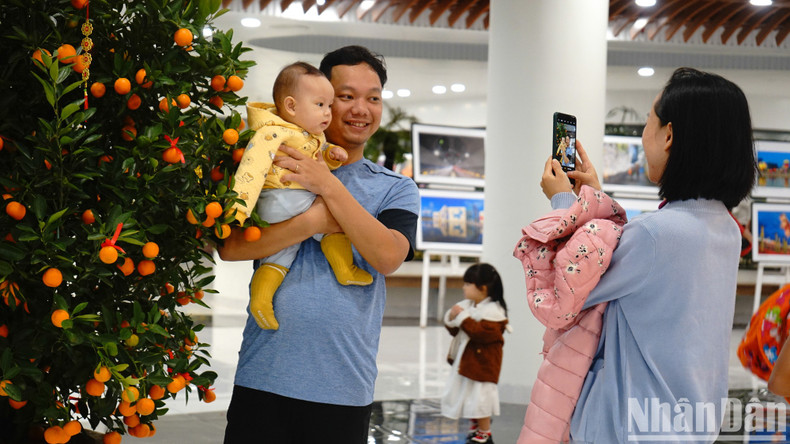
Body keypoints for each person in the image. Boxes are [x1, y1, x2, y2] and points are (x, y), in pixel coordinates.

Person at [538, 67, 756, 443]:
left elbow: (570, 285)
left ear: (669, 135)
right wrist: (596, 197)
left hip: (626, 428)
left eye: (648, 121)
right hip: (688, 423)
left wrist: (563, 206)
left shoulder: (655, 235)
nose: (644, 135)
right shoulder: (725, 228)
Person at [219, 45, 420, 444]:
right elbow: (231, 248)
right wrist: (311, 221)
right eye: (345, 96)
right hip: (263, 375)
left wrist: (326, 184)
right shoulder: (280, 161)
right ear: (319, 100)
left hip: (342, 386)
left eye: (373, 98)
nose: (360, 108)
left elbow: (388, 256)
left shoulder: (395, 188)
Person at [230, 61, 372, 331]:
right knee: (336, 220)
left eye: (329, 106)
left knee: (278, 257)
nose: (328, 114)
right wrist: (239, 207)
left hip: (281, 206)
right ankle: (344, 268)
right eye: (320, 105)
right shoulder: (273, 132)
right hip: (286, 196)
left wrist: (331, 155)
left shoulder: (309, 134)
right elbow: (252, 167)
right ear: (292, 106)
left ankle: (261, 301)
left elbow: (316, 163)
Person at [441, 263, 509, 444]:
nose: (464, 287)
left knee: (481, 399)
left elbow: (479, 333)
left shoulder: (494, 312)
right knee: (469, 395)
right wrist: (454, 316)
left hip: (483, 366)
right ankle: (477, 426)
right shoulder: (469, 306)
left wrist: (462, 317)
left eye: (467, 284)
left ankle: (485, 431)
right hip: (469, 363)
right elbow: (456, 330)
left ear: (482, 288)